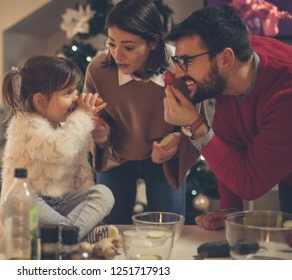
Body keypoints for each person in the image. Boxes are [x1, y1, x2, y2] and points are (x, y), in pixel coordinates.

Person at [164, 5, 292, 230]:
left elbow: (250, 183)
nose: (178, 73)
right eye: (177, 61)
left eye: (187, 61)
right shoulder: (231, 72)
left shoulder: (285, 93)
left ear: (225, 59)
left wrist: (196, 125)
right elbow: (229, 143)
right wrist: (232, 210)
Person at [84, 0, 204, 224]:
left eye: (128, 47)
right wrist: (100, 135)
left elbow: (197, 125)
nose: (117, 55)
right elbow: (96, 120)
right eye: (111, 44)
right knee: (112, 230)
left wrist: (178, 141)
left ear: (153, 42)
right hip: (116, 157)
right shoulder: (98, 69)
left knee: (169, 228)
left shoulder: (180, 68)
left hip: (165, 162)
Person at [0, 55, 115, 241]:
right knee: (19, 201)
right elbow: (61, 149)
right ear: (40, 101)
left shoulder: (66, 125)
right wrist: (83, 116)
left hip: (62, 204)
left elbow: (81, 174)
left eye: (75, 91)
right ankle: (73, 235)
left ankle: (65, 234)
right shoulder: (25, 124)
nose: (75, 98)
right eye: (67, 93)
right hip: (31, 205)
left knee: (104, 193)